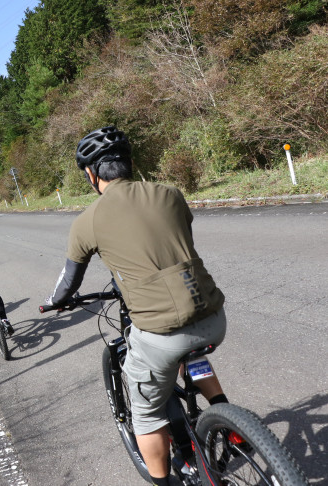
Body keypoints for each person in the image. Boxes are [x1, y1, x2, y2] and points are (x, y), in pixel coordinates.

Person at [44, 127, 228, 486]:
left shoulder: (87, 221)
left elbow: (69, 283)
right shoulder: (170, 194)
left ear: (91, 173)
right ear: (128, 163)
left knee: (146, 415)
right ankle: (224, 414)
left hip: (162, 333)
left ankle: (162, 481)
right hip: (213, 316)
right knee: (189, 355)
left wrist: (55, 303)